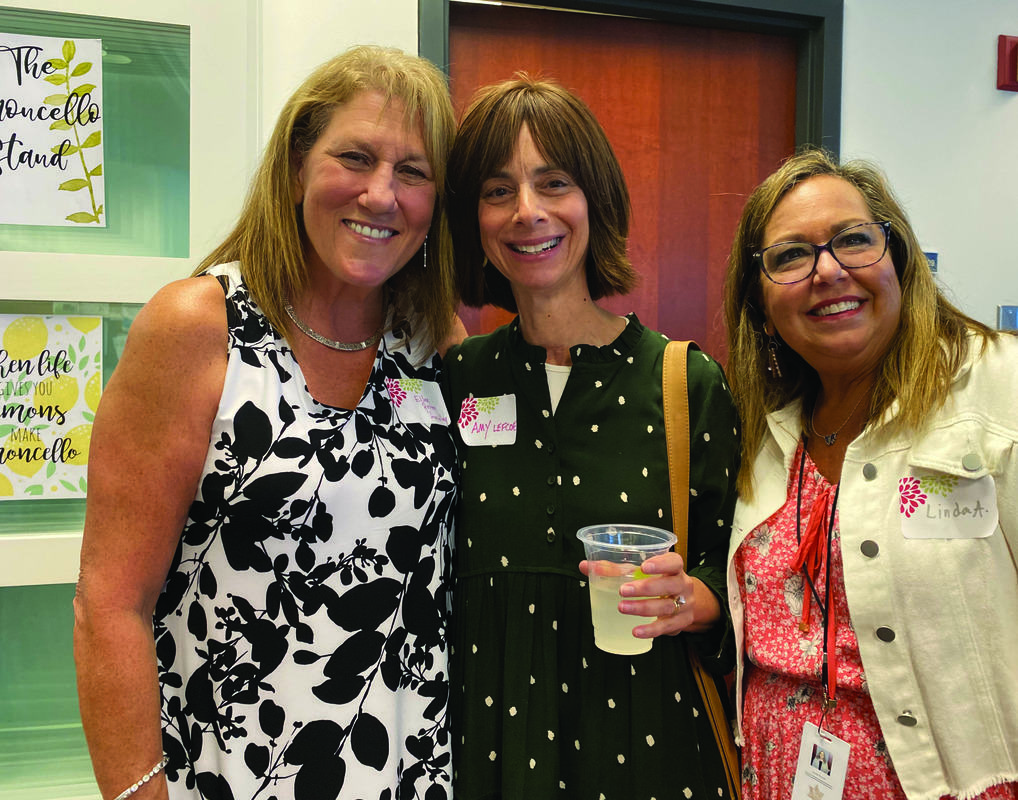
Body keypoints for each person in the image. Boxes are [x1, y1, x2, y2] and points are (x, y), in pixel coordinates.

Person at [73, 45, 463, 799]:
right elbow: (109, 604)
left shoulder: (431, 343)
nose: (383, 195)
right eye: (355, 157)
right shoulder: (198, 327)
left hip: (409, 777)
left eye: (412, 172)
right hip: (228, 778)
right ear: (295, 168)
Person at [442, 75, 741, 799]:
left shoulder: (683, 382)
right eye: (497, 190)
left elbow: (740, 584)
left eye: (553, 182)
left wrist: (694, 598)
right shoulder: (451, 380)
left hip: (649, 746)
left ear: (595, 200)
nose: (527, 212)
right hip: (487, 748)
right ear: (471, 219)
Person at [723, 148, 1018, 800]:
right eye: (790, 256)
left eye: (853, 240)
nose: (827, 271)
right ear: (761, 306)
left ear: (899, 260)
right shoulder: (766, 434)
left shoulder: (999, 388)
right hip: (775, 775)